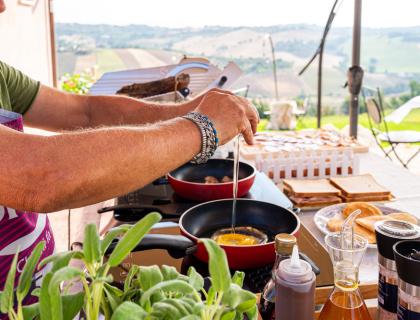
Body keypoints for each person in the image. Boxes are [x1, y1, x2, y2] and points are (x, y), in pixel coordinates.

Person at [0, 0, 259, 307]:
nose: (3, 6)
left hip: (36, 297)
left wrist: (187, 111)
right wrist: (200, 127)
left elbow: (84, 112)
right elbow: (37, 177)